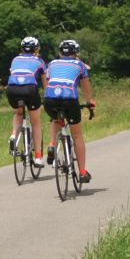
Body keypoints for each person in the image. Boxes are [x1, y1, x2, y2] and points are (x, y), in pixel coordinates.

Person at [43, 38, 94, 183]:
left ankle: (52, 145)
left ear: (60, 52)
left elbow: (47, 83)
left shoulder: (52, 63)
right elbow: (85, 87)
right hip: (69, 99)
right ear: (76, 52)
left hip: (50, 98)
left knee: (55, 120)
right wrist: (90, 102)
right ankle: (83, 172)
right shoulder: (80, 65)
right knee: (77, 136)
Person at [5, 35, 46, 168]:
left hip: (12, 89)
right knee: (35, 122)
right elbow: (45, 83)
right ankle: (38, 157)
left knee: (18, 113)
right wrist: (47, 98)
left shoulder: (15, 59)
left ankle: (13, 135)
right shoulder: (39, 61)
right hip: (29, 89)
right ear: (36, 49)